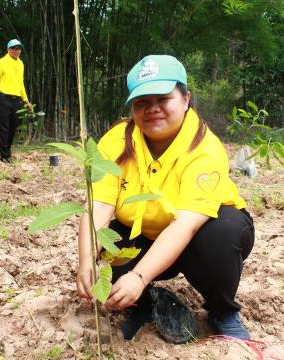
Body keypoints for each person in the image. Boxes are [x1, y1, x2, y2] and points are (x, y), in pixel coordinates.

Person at [76, 55, 255, 341]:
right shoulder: (115, 142)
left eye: (163, 98)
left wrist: (138, 276)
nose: (152, 109)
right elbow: (99, 204)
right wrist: (85, 258)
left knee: (221, 233)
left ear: (185, 99)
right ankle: (143, 304)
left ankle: (222, 311)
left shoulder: (205, 148)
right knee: (109, 237)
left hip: (197, 238)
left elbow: (186, 225)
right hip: (143, 234)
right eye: (142, 102)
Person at [0, 39, 31, 164]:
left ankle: (7, 152)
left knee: (13, 127)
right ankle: (4, 156)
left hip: (17, 100)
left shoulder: (21, 64)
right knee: (4, 128)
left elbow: (21, 83)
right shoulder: (2, 62)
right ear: (8, 49)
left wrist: (26, 100)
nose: (16, 51)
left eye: (18, 48)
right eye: (13, 48)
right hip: (4, 98)